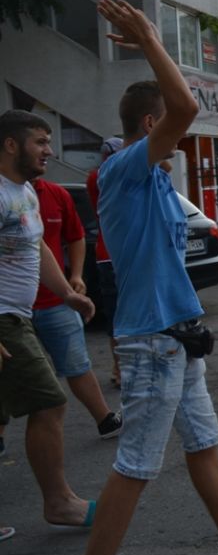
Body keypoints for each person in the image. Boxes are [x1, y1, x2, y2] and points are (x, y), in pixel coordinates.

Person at [85, 0, 218, 555]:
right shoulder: (123, 170)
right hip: (152, 340)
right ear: (150, 126)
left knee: (203, 440)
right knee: (136, 465)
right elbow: (182, 105)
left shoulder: (155, 180)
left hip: (178, 335)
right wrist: (152, 41)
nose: (180, 137)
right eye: (170, 130)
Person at [0, 109, 97, 530]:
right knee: (50, 401)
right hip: (3, 320)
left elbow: (36, 247)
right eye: (40, 142)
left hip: (17, 316)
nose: (49, 151)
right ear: (11, 145)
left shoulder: (25, 191)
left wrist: (67, 294)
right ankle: (59, 503)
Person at [31, 175, 123, 439]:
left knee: (77, 364)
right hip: (12, 309)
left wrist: (76, 276)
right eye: (39, 150)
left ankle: (105, 420)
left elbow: (75, 236)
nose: (47, 154)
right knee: (13, 373)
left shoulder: (56, 194)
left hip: (56, 300)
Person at [87, 137, 123, 384]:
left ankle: (119, 369)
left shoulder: (94, 177)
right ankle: (121, 369)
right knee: (123, 315)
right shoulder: (104, 177)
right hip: (114, 256)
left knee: (116, 316)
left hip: (107, 255)